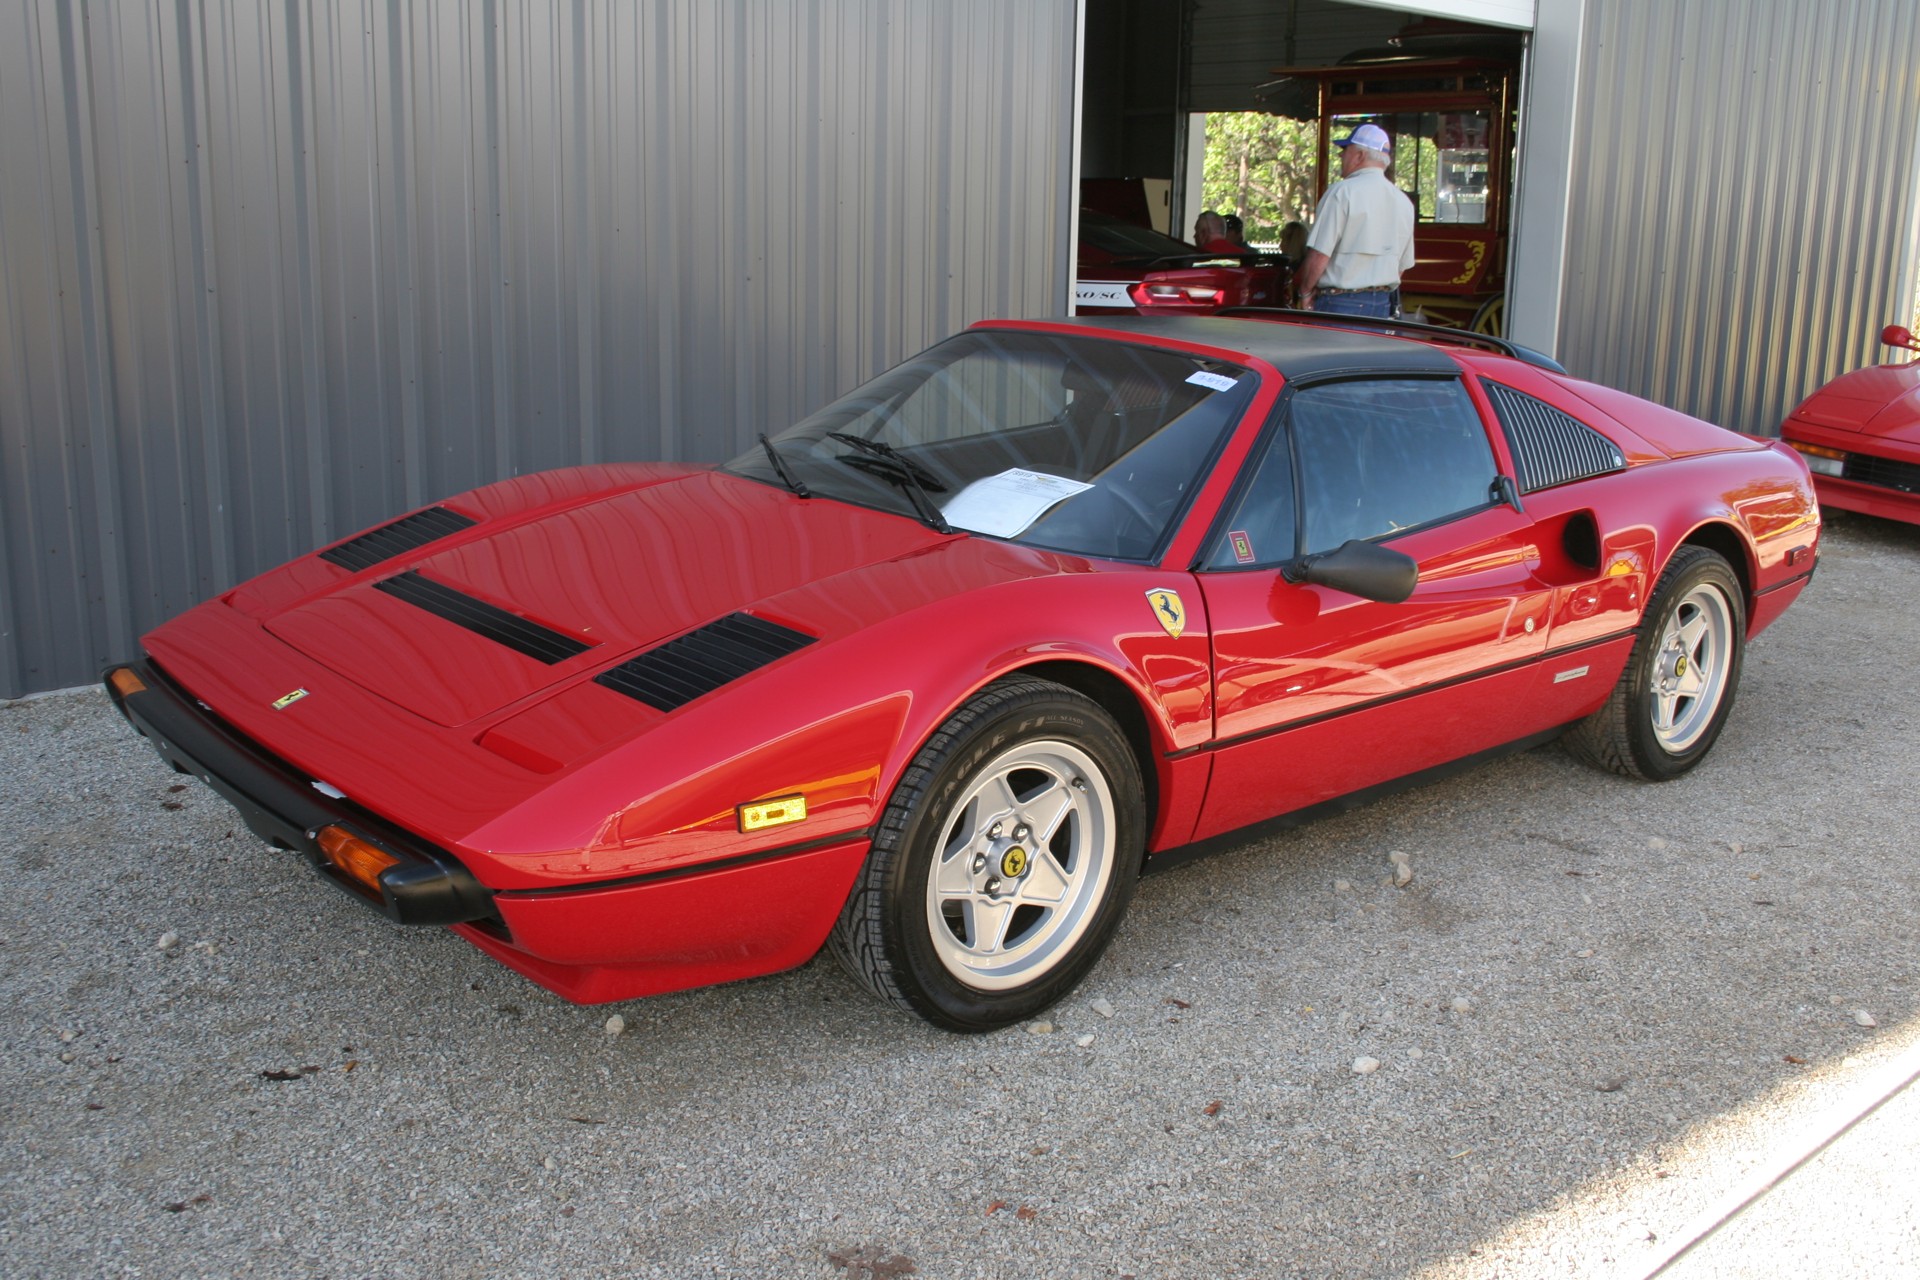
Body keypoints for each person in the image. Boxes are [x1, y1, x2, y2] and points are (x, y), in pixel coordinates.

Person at [1291, 123, 1415, 318]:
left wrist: (1305, 292)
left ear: (1359, 156)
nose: (1341, 156)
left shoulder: (1341, 192)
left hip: (1340, 303)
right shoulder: (1403, 201)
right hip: (1383, 304)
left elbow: (1319, 255)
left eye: (1345, 150)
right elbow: (1401, 267)